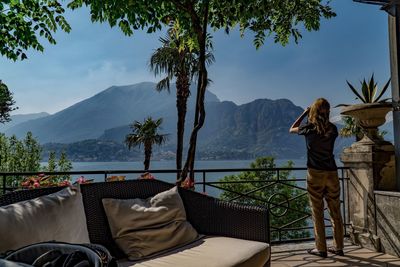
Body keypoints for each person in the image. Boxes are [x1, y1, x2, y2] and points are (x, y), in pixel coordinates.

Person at [289, 98, 344, 258]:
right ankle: (338, 247)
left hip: (315, 174)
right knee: (335, 211)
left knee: (317, 212)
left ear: (313, 111)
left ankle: (321, 249)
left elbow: (291, 128)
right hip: (332, 173)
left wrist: (305, 113)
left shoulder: (309, 128)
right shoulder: (333, 129)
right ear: (328, 111)